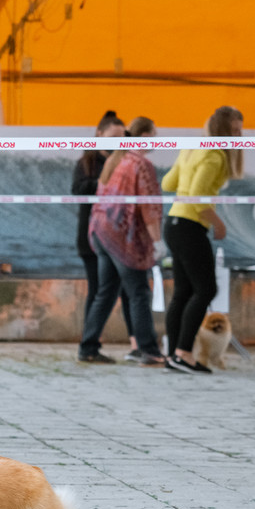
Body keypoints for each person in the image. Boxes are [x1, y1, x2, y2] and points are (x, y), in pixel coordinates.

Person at [162, 106, 244, 374]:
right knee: (206, 289)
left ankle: (173, 356)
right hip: (189, 226)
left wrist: (185, 171)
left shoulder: (191, 148)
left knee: (184, 292)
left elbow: (167, 184)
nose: (239, 136)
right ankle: (183, 353)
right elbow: (196, 195)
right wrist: (218, 222)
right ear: (223, 130)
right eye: (235, 131)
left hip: (173, 223)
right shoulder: (215, 154)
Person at [78, 117, 166, 366]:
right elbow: (149, 208)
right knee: (138, 292)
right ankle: (148, 350)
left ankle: (88, 347)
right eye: (154, 135)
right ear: (145, 137)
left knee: (106, 292)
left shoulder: (115, 160)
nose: (156, 141)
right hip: (123, 238)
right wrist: (158, 241)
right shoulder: (141, 164)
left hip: (102, 232)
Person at [72, 110, 137, 362]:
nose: (117, 143)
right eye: (113, 137)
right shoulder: (87, 163)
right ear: (99, 135)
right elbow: (78, 190)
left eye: (122, 138)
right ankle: (89, 345)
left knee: (127, 290)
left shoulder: (125, 162)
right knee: (99, 291)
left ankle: (136, 344)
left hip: (119, 236)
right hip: (92, 237)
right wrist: (105, 182)